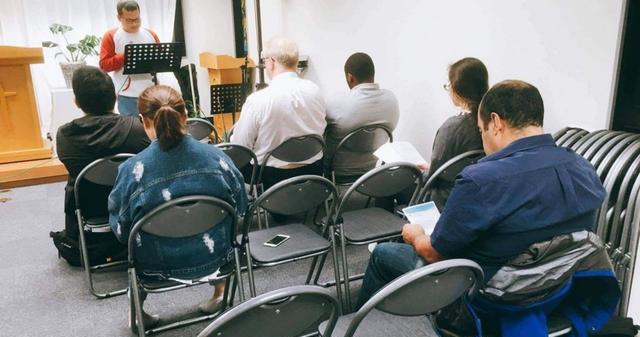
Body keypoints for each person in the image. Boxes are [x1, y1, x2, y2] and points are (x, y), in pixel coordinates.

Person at [358, 80, 606, 306]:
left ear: (496, 123)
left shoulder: (482, 179)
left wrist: (416, 235)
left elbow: (434, 253)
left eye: (481, 131)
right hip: (559, 291)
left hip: (491, 295)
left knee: (383, 253)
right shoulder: (582, 167)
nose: (483, 140)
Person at [108, 85, 248, 326]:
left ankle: (138, 314)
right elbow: (242, 207)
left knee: (134, 247)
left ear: (143, 121)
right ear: (185, 116)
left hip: (155, 266)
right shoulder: (219, 159)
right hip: (215, 256)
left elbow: (121, 231)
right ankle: (221, 292)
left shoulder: (132, 170)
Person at [54, 65, 149, 262]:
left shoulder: (65, 136)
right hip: (132, 203)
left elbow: (73, 169)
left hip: (89, 206)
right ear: (114, 98)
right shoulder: (137, 129)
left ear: (77, 102)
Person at [230, 37, 326, 190]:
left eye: (265, 60)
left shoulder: (257, 100)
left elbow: (241, 148)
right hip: (313, 170)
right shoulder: (316, 91)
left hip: (270, 177)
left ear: (272, 61)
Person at [324, 52, 399, 182]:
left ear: (350, 77)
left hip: (340, 174)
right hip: (373, 172)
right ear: (373, 74)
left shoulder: (337, 103)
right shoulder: (391, 100)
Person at [425, 57, 487, 210]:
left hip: (447, 199)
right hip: (482, 195)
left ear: (458, 90)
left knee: (395, 182)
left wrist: (424, 171)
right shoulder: (493, 123)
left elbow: (433, 177)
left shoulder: (452, 127)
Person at [99, 0, 160, 116]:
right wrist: (127, 55)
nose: (134, 24)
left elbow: (160, 61)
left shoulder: (150, 34)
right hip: (127, 95)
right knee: (131, 130)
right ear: (119, 18)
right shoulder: (111, 35)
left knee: (154, 129)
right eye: (129, 20)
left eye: (137, 19)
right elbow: (104, 65)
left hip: (151, 92)